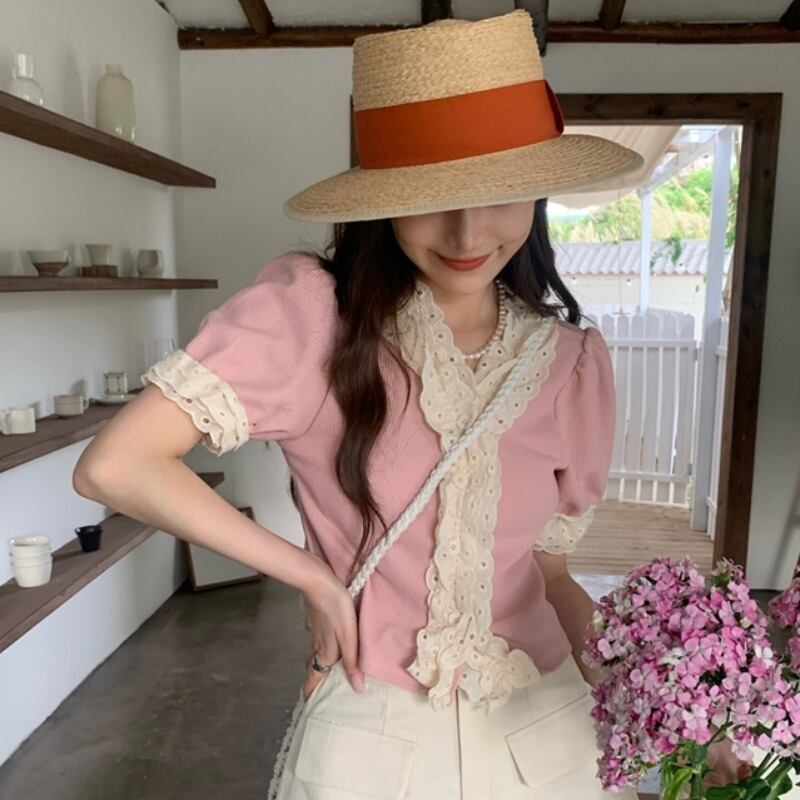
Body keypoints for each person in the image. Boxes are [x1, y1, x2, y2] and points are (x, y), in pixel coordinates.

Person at [72, 9, 750, 799]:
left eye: (500, 191)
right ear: (380, 197)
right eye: (432, 195)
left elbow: (551, 575)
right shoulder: (310, 321)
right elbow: (116, 465)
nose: (467, 232)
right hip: (372, 742)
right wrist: (311, 577)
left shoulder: (570, 363)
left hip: (548, 739)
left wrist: (676, 716)